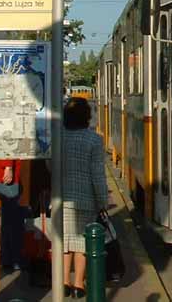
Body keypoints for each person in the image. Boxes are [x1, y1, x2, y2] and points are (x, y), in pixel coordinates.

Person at [62, 98, 108, 299]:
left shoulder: (59, 137)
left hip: (61, 197)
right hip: (85, 197)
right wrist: (102, 201)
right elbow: (97, 174)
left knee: (64, 242)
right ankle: (79, 284)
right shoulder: (94, 140)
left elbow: (49, 167)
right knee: (82, 242)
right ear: (87, 117)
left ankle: (63, 281)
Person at [0, 159, 25, 272]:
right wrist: (8, 167)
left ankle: (7, 258)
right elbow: (8, 142)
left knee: (8, 220)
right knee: (12, 221)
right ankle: (13, 259)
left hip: (2, 173)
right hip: (6, 176)